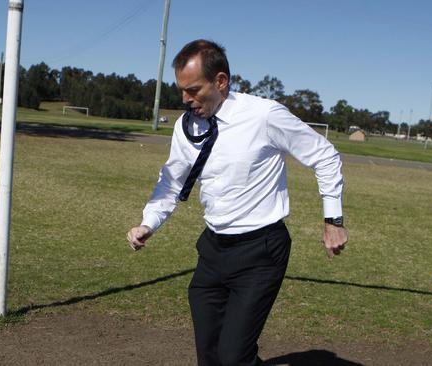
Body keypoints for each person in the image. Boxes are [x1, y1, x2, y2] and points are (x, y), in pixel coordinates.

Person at [126, 39, 348, 366]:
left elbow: (324, 156)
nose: (186, 99)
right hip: (213, 250)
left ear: (220, 81)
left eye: (194, 90)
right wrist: (149, 222)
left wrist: (333, 220)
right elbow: (172, 181)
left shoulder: (263, 115)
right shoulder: (187, 127)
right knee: (210, 356)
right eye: (181, 91)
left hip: (260, 251)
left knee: (233, 357)